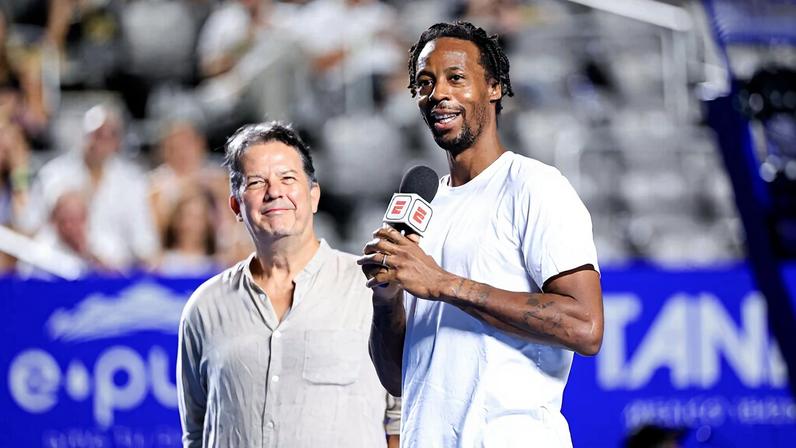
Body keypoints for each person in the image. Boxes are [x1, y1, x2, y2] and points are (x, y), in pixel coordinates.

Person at [359, 22, 603, 447]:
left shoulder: (534, 185)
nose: (437, 93)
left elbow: (586, 326)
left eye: (456, 77)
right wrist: (387, 300)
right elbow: (397, 378)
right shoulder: (424, 204)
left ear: (493, 87)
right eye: (424, 82)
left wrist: (444, 284)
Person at [177, 121, 400, 448]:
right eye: (256, 182)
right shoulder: (204, 308)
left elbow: (402, 422)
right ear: (236, 206)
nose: (274, 191)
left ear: (314, 196)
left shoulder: (372, 289)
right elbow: (196, 433)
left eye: (288, 178)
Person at [19, 104, 159, 271]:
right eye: (97, 134)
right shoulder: (53, 174)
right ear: (84, 136)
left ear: (118, 141)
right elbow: (30, 224)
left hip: (114, 272)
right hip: (58, 265)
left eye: (111, 134)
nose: (102, 141)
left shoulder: (132, 181)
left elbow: (144, 242)